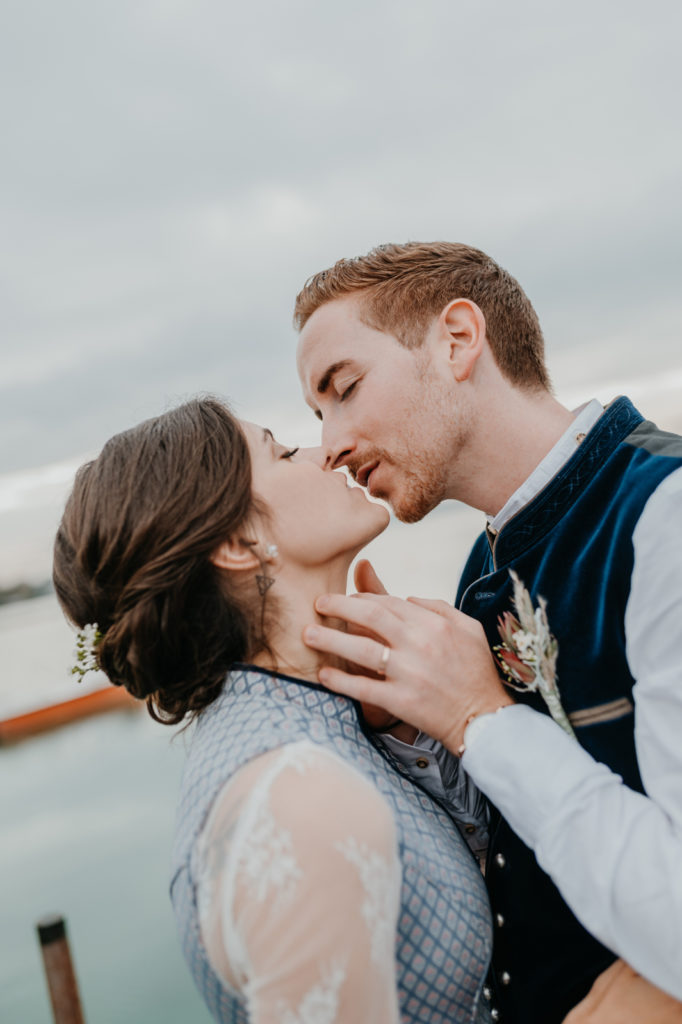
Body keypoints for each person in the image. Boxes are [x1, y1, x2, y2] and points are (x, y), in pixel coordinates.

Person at [293, 242, 682, 1024]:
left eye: (346, 388)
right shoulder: (484, 565)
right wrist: (419, 727)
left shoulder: (665, 517)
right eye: (318, 415)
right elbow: (515, 831)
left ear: (458, 340)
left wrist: (480, 716)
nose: (330, 445)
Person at [52, 397, 494, 1024]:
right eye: (283, 452)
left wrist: (405, 723)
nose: (324, 452)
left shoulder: (324, 719)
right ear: (239, 543)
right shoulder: (295, 796)